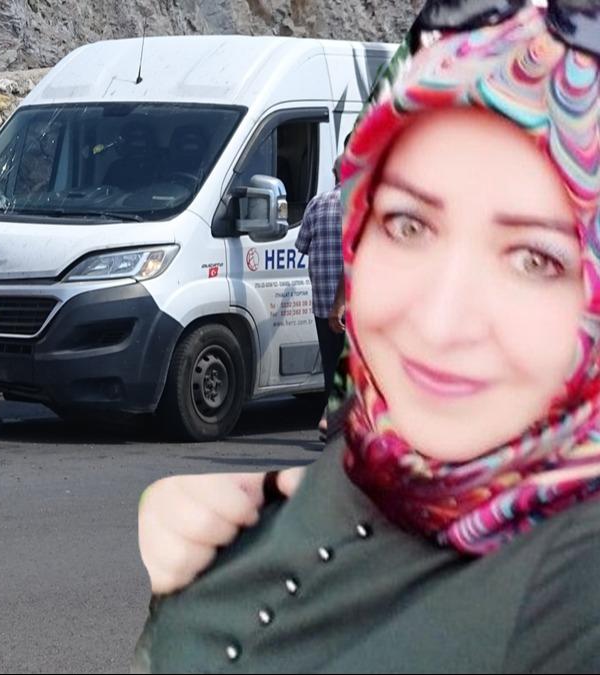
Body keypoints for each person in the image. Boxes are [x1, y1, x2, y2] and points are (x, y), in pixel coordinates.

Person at [134, 6, 600, 671]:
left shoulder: (572, 588)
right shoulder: (342, 489)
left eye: (533, 259)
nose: (440, 319)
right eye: (408, 225)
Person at [295, 147, 349, 441]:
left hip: (323, 302)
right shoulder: (361, 205)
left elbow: (302, 245)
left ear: (334, 174)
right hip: (355, 305)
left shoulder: (317, 204)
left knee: (331, 366)